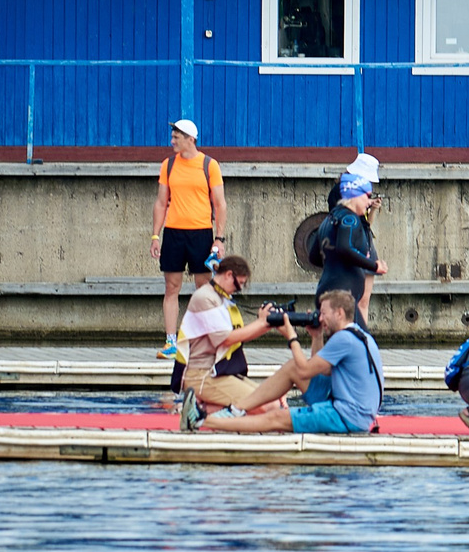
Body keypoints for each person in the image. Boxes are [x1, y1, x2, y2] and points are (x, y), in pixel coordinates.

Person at [200, 289, 383, 436]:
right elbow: (317, 370)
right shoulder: (358, 335)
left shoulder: (344, 339)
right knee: (293, 367)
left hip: (347, 417)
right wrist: (316, 336)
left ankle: (204, 420)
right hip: (354, 410)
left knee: (276, 417)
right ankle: (237, 409)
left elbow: (305, 371)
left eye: (324, 313)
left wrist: (291, 336)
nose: (320, 318)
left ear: (340, 313)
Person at [148, 120, 227, 359]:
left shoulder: (209, 165)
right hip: (173, 233)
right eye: (172, 137)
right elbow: (161, 202)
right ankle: (171, 342)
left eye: (177, 137)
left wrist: (219, 238)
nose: (172, 141)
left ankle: (203, 342)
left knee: (204, 289)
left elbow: (219, 204)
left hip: (201, 233)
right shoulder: (168, 165)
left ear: (190, 139)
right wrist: (155, 235)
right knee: (171, 287)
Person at [168, 252, 270, 414]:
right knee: (264, 407)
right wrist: (261, 323)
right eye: (240, 283)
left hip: (217, 372)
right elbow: (226, 339)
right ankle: (198, 409)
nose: (239, 289)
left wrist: (266, 325)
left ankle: (197, 409)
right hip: (201, 375)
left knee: (271, 402)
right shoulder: (205, 297)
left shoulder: (222, 298)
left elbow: (238, 336)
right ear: (229, 275)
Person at [311, 176, 385, 325]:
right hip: (342, 296)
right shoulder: (350, 219)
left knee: (339, 343)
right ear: (355, 195)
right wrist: (374, 266)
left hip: (326, 289)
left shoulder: (329, 219)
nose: (369, 202)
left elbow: (313, 257)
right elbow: (345, 248)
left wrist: (334, 264)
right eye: (367, 196)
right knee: (362, 341)